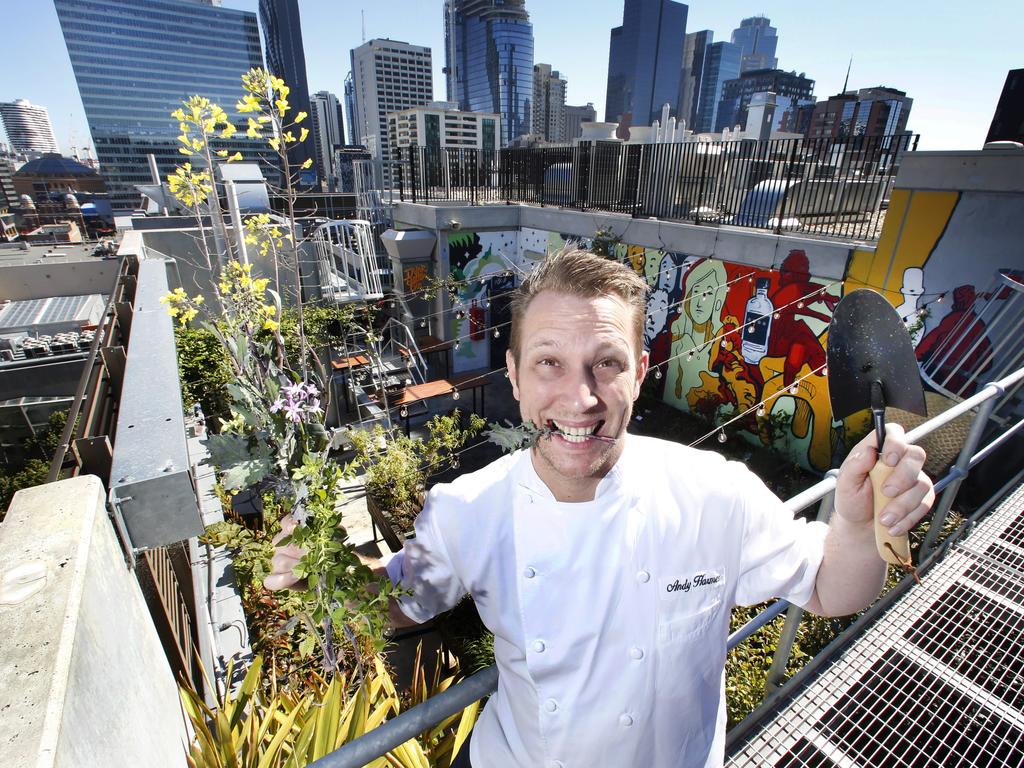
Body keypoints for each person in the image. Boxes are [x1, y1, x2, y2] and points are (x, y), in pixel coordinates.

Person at [266, 248, 934, 768]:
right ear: (515, 376)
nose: (579, 397)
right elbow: (400, 601)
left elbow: (829, 590)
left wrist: (855, 523)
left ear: (641, 371)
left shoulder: (712, 493)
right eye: (549, 363)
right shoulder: (469, 509)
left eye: (606, 363)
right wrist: (322, 580)